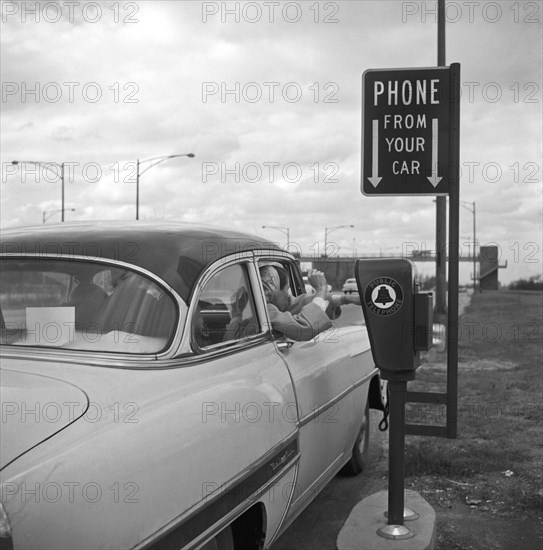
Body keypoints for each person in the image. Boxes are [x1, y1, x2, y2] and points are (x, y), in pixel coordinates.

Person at [260, 265, 360, 341]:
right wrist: (321, 289)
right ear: (273, 290)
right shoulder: (266, 311)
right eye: (287, 289)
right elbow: (305, 327)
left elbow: (299, 302)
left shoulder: (257, 307)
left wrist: (346, 299)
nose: (289, 296)